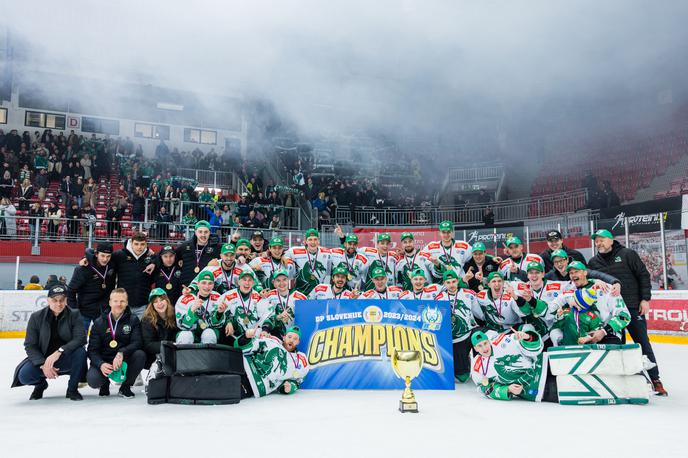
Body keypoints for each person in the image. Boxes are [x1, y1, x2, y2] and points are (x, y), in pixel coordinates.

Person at [586, 230, 667, 395]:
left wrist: (645, 299)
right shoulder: (593, 262)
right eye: (596, 241)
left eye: (601, 240)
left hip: (632, 306)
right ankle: (623, 381)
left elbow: (643, 275)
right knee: (617, 346)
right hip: (610, 312)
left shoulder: (627, 254)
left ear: (611, 240)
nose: (598, 243)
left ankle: (655, 380)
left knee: (642, 343)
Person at [11, 285, 87, 401]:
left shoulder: (75, 315)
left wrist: (60, 351)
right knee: (24, 376)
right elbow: (30, 345)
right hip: (44, 360)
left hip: (66, 359)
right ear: (48, 300)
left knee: (80, 352)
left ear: (66, 300)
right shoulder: (36, 317)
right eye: (54, 300)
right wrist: (42, 364)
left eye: (62, 300)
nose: (59, 304)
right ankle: (40, 385)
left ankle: (72, 389)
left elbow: (80, 339)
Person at [549, 261, 631, 346]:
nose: (573, 275)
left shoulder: (606, 288)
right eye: (571, 273)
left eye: (576, 271)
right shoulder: (569, 292)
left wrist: (604, 331)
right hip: (580, 337)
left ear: (585, 272)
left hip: (607, 335)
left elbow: (624, 316)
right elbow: (551, 309)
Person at [87, 288, 145, 398]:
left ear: (127, 303)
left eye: (122, 301)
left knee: (140, 355)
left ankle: (125, 387)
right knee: (93, 380)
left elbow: (137, 342)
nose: (119, 304)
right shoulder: (99, 322)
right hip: (105, 360)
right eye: (116, 301)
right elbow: (92, 350)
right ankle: (104, 383)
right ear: (110, 302)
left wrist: (122, 352)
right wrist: (100, 364)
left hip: (123, 359)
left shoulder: (133, 320)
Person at [470, 329, 557, 402]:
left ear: (489, 341)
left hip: (545, 364)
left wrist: (527, 337)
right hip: (536, 386)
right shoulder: (476, 367)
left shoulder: (503, 340)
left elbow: (536, 348)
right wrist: (507, 389)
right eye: (480, 346)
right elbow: (483, 388)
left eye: (485, 343)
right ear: (475, 348)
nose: (484, 348)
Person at [235, 326, 309, 398]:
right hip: (243, 368)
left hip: (254, 385)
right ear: (284, 337)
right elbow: (242, 347)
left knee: (227, 393)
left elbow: (298, 381)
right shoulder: (272, 341)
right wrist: (246, 337)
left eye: (295, 339)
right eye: (289, 337)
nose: (291, 340)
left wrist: (290, 387)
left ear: (298, 342)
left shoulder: (301, 360)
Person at [433, 270, 480, 382]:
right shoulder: (439, 298)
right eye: (448, 282)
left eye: (453, 281)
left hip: (466, 334)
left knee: (463, 377)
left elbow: (479, 314)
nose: (451, 285)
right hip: (451, 338)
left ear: (458, 281)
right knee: (461, 376)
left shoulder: (468, 294)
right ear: (444, 284)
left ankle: (481, 368)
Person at [68, 242, 116, 331]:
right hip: (84, 312)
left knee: (102, 341)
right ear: (96, 254)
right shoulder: (83, 268)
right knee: (80, 340)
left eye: (108, 256)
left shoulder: (112, 265)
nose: (105, 259)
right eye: (102, 255)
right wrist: (74, 311)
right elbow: (71, 290)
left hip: (103, 312)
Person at [175, 271, 228, 344]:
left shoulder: (218, 298)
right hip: (190, 331)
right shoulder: (185, 298)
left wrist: (219, 313)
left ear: (213, 285)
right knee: (185, 335)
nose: (207, 287)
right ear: (198, 284)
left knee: (209, 334)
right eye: (203, 283)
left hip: (208, 331)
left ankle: (207, 355)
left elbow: (217, 325)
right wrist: (192, 310)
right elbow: (182, 326)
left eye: (210, 283)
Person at [259, 270, 308, 338]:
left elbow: (306, 318)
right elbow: (263, 315)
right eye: (278, 280)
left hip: (295, 336)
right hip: (274, 335)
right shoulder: (268, 296)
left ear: (288, 280)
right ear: (274, 283)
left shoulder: (301, 297)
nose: (281, 283)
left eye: (284, 280)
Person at [174, 220, 223, 287]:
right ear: (195, 232)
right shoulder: (185, 246)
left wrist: (240, 255)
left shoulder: (217, 247)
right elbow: (171, 256)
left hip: (206, 287)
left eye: (206, 232)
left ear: (209, 233)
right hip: (186, 286)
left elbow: (229, 256)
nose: (203, 235)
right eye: (200, 232)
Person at [285, 228, 333, 296]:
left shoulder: (327, 252)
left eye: (315, 239)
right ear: (305, 241)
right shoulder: (294, 251)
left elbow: (329, 273)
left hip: (319, 293)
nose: (313, 242)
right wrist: (267, 253)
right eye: (310, 239)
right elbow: (281, 255)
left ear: (318, 241)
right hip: (300, 293)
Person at [141, 288, 178, 369]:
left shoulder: (175, 314)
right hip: (154, 358)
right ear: (152, 305)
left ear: (167, 300)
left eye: (162, 300)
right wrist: (168, 344)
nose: (159, 303)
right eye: (155, 301)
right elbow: (148, 345)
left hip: (173, 353)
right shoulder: (147, 320)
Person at [545, 248, 621, 287]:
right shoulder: (551, 275)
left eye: (561, 260)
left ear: (567, 259)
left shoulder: (576, 269)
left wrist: (615, 282)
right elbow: (539, 279)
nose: (559, 264)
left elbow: (598, 275)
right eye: (556, 262)